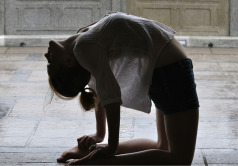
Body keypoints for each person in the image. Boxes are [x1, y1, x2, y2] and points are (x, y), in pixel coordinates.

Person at [44, 12, 199, 165]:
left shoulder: (82, 40)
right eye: (51, 63)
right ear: (68, 62)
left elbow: (101, 88)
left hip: (164, 70)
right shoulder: (82, 48)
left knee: (163, 148)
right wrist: (111, 147)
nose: (46, 56)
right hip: (170, 71)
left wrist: (99, 137)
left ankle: (95, 153)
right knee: (180, 160)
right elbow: (109, 96)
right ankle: (98, 162)